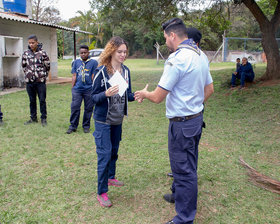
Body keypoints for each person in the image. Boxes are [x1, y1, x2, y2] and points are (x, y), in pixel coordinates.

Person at [134, 18, 214, 224]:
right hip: (196, 120)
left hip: (182, 124)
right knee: (190, 164)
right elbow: (209, 90)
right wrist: (194, 105)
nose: (165, 43)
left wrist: (145, 93)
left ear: (172, 35)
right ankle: (180, 196)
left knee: (183, 169)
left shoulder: (177, 59)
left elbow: (159, 97)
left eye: (165, 39)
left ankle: (185, 218)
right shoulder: (200, 55)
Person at [91, 36, 135, 207]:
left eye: (125, 52)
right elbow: (93, 97)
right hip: (103, 120)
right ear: (111, 51)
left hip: (117, 119)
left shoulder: (126, 72)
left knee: (114, 150)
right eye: (120, 51)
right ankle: (101, 192)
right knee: (105, 154)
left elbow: (127, 95)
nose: (123, 54)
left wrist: (138, 96)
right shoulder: (101, 71)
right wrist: (106, 94)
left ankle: (110, 177)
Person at [66, 45, 98, 134]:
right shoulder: (76, 62)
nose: (83, 54)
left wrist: (94, 88)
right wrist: (73, 88)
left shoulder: (93, 63)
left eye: (85, 53)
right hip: (77, 89)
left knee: (88, 108)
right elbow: (74, 75)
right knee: (75, 107)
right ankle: (73, 126)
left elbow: (93, 76)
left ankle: (86, 126)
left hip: (89, 89)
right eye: (81, 53)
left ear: (88, 53)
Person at [22, 34, 50, 126]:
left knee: (42, 100)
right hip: (30, 82)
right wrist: (28, 75)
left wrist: (43, 76)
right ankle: (33, 118)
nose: (31, 44)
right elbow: (24, 66)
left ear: (37, 42)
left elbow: (47, 66)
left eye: (33, 43)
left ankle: (43, 118)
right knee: (32, 100)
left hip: (40, 82)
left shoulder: (43, 53)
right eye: (29, 43)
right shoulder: (26, 53)